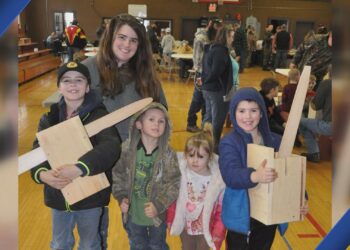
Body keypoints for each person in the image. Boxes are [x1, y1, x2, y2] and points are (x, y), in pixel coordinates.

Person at [30, 61, 121, 249]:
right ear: (59, 87)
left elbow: (110, 147)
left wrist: (79, 168)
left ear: (87, 87)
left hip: (90, 196)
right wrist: (42, 174)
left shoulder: (99, 116)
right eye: (67, 80)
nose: (73, 85)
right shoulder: (49, 119)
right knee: (59, 243)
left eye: (79, 80)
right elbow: (37, 151)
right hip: (58, 194)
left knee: (90, 245)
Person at [219, 87, 308, 249]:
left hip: (269, 215)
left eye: (253, 110)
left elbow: (291, 172)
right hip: (241, 215)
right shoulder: (229, 142)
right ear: (233, 114)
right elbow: (229, 174)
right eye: (242, 111)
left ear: (261, 113)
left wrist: (300, 199)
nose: (247, 116)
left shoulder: (275, 141)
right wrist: (255, 176)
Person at [83, 13, 167, 141]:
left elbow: (161, 110)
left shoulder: (147, 73)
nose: (127, 44)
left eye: (133, 40)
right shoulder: (86, 70)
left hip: (136, 150)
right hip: (97, 153)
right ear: (110, 37)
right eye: (122, 37)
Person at [112, 102, 181, 250]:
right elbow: (118, 176)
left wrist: (159, 204)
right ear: (139, 124)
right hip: (133, 214)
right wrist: (121, 197)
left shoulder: (168, 154)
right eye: (151, 119)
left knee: (157, 245)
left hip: (157, 216)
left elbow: (174, 183)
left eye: (161, 121)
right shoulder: (126, 150)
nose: (157, 124)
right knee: (138, 245)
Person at [167, 123, 226, 250]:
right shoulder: (181, 174)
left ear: (209, 157)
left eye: (200, 156)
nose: (195, 160)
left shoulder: (217, 180)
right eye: (191, 155)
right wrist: (172, 220)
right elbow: (173, 201)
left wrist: (218, 230)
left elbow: (221, 209)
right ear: (185, 155)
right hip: (185, 226)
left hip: (206, 228)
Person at [201, 25, 234, 152]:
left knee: (208, 117)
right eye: (231, 37)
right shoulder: (221, 51)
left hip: (208, 89)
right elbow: (216, 71)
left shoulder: (211, 48)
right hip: (216, 90)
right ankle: (214, 147)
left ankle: (204, 143)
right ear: (225, 36)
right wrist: (209, 80)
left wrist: (205, 81)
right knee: (217, 120)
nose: (232, 39)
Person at [186, 19, 220, 133]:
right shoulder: (200, 39)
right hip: (201, 73)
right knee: (197, 100)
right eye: (216, 28)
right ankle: (191, 124)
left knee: (207, 101)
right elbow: (197, 59)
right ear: (210, 25)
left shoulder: (212, 37)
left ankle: (204, 126)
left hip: (208, 74)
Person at [299, 65, 332, 163]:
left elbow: (315, 106)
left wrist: (311, 100)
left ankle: (314, 153)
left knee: (300, 121)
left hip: (331, 126)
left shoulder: (327, 83)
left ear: (329, 73)